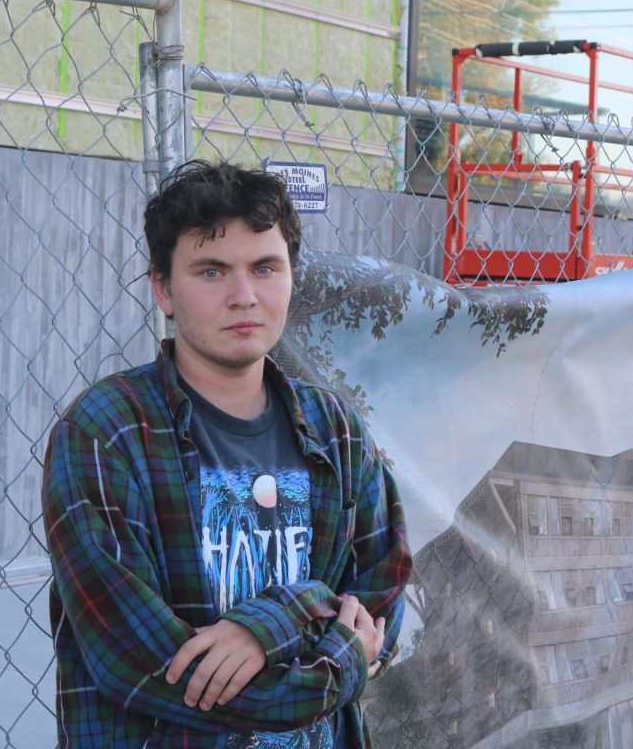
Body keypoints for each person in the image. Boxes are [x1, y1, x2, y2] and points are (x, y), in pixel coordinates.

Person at [41, 159, 412, 748]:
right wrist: (334, 657)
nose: (244, 296)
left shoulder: (335, 428)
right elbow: (143, 666)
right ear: (162, 288)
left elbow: (382, 606)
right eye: (212, 271)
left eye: (265, 267)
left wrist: (275, 620)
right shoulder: (105, 432)